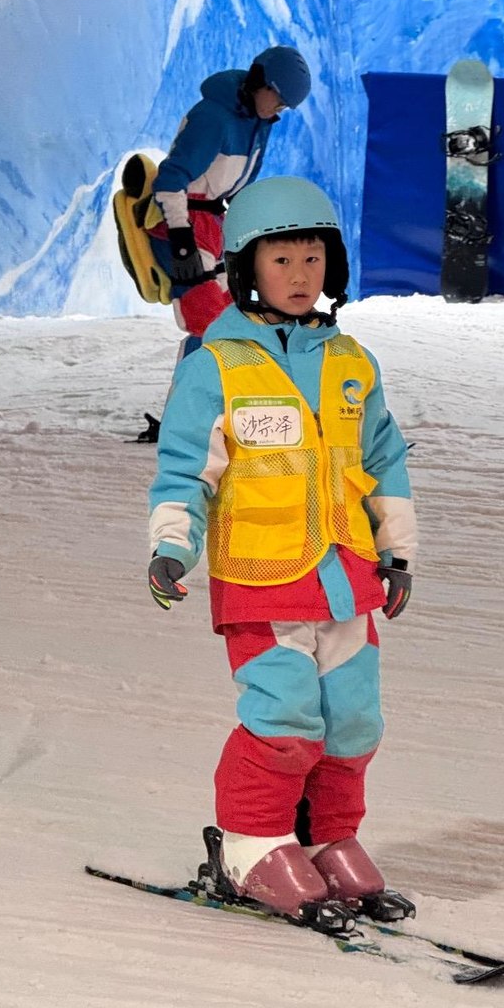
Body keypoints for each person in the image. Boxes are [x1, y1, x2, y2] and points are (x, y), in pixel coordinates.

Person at [146, 176, 417, 927]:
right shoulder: (217, 366)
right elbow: (185, 471)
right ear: (246, 269)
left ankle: (327, 838)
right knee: (284, 718)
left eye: (313, 258)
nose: (301, 275)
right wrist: (172, 547)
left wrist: (395, 552)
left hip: (346, 576)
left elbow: (383, 460)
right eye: (282, 260)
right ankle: (251, 846)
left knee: (354, 719)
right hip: (262, 579)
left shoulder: (352, 362)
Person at [148, 46, 312, 358]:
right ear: (261, 82)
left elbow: (238, 192)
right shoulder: (213, 117)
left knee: (236, 317)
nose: (279, 110)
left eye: (284, 106)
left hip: (213, 227)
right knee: (209, 321)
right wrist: (181, 240)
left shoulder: (259, 125)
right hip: (181, 223)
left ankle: (227, 385)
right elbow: (170, 179)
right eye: (278, 100)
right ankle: (194, 388)